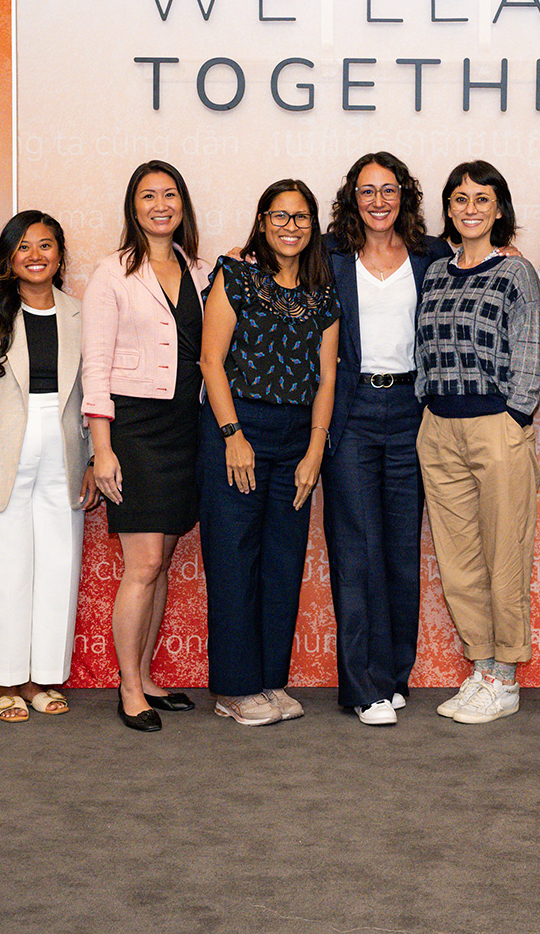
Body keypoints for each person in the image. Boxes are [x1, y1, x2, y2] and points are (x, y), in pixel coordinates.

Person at [198, 179, 340, 728]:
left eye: (301, 217)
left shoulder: (322, 293)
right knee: (235, 560)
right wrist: (233, 434)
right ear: (261, 222)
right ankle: (235, 688)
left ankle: (268, 681)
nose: (290, 226)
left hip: (297, 440)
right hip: (238, 429)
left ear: (313, 226)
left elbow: (327, 377)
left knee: (283, 563)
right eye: (279, 216)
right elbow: (212, 362)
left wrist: (315, 451)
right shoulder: (234, 276)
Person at [83, 160, 213, 732]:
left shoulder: (202, 269)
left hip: (188, 427)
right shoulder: (111, 272)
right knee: (144, 562)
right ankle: (128, 685)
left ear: (182, 204)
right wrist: (102, 449)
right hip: (133, 429)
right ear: (132, 208)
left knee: (160, 564)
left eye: (169, 195)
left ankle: (146, 674)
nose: (160, 204)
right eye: (147, 196)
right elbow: (96, 367)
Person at [416, 160, 540, 725]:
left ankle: (507, 676)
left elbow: (529, 342)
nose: (470, 208)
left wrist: (516, 413)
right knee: (459, 559)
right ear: (448, 209)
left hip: (496, 425)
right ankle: (481, 665)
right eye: (460, 199)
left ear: (499, 209)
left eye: (482, 199)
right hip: (438, 427)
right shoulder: (436, 273)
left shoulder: (515, 273)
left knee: (505, 554)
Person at [323, 152, 449, 727]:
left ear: (405, 196)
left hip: (411, 410)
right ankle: (361, 685)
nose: (379, 201)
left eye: (389, 190)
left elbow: (479, 261)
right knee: (356, 549)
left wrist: (509, 252)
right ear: (353, 197)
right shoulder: (329, 256)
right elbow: (270, 259)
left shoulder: (429, 255)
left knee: (401, 548)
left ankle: (394, 674)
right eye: (368, 190)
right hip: (350, 411)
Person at [0, 211, 91, 723]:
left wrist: (93, 460)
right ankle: (5, 680)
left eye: (46, 245)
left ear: (60, 255)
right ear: (9, 258)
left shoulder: (79, 312)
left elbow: (90, 393)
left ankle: (40, 679)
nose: (36, 255)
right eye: (24, 247)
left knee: (57, 565)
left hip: (63, 446)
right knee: (1, 567)